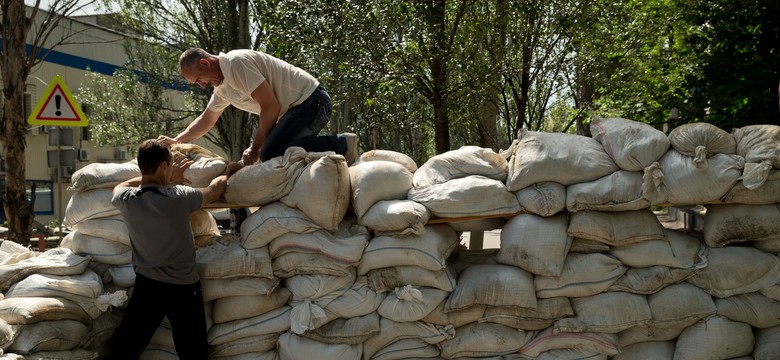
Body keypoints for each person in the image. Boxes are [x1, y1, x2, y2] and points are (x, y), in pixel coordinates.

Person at [108, 139, 227, 360]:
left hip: (147, 286)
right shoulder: (179, 197)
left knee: (125, 350)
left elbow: (119, 187)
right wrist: (228, 171)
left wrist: (150, 178)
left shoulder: (126, 200)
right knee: (193, 353)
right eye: (170, 165)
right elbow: (213, 191)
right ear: (164, 167)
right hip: (183, 289)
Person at [158, 47, 358, 165]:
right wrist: (177, 140)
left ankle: (341, 144)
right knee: (277, 151)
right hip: (300, 108)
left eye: (199, 79)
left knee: (269, 152)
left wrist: (255, 147)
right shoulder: (222, 87)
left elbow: (271, 107)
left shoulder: (236, 64)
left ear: (204, 63)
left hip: (312, 102)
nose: (202, 85)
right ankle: (336, 148)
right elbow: (207, 119)